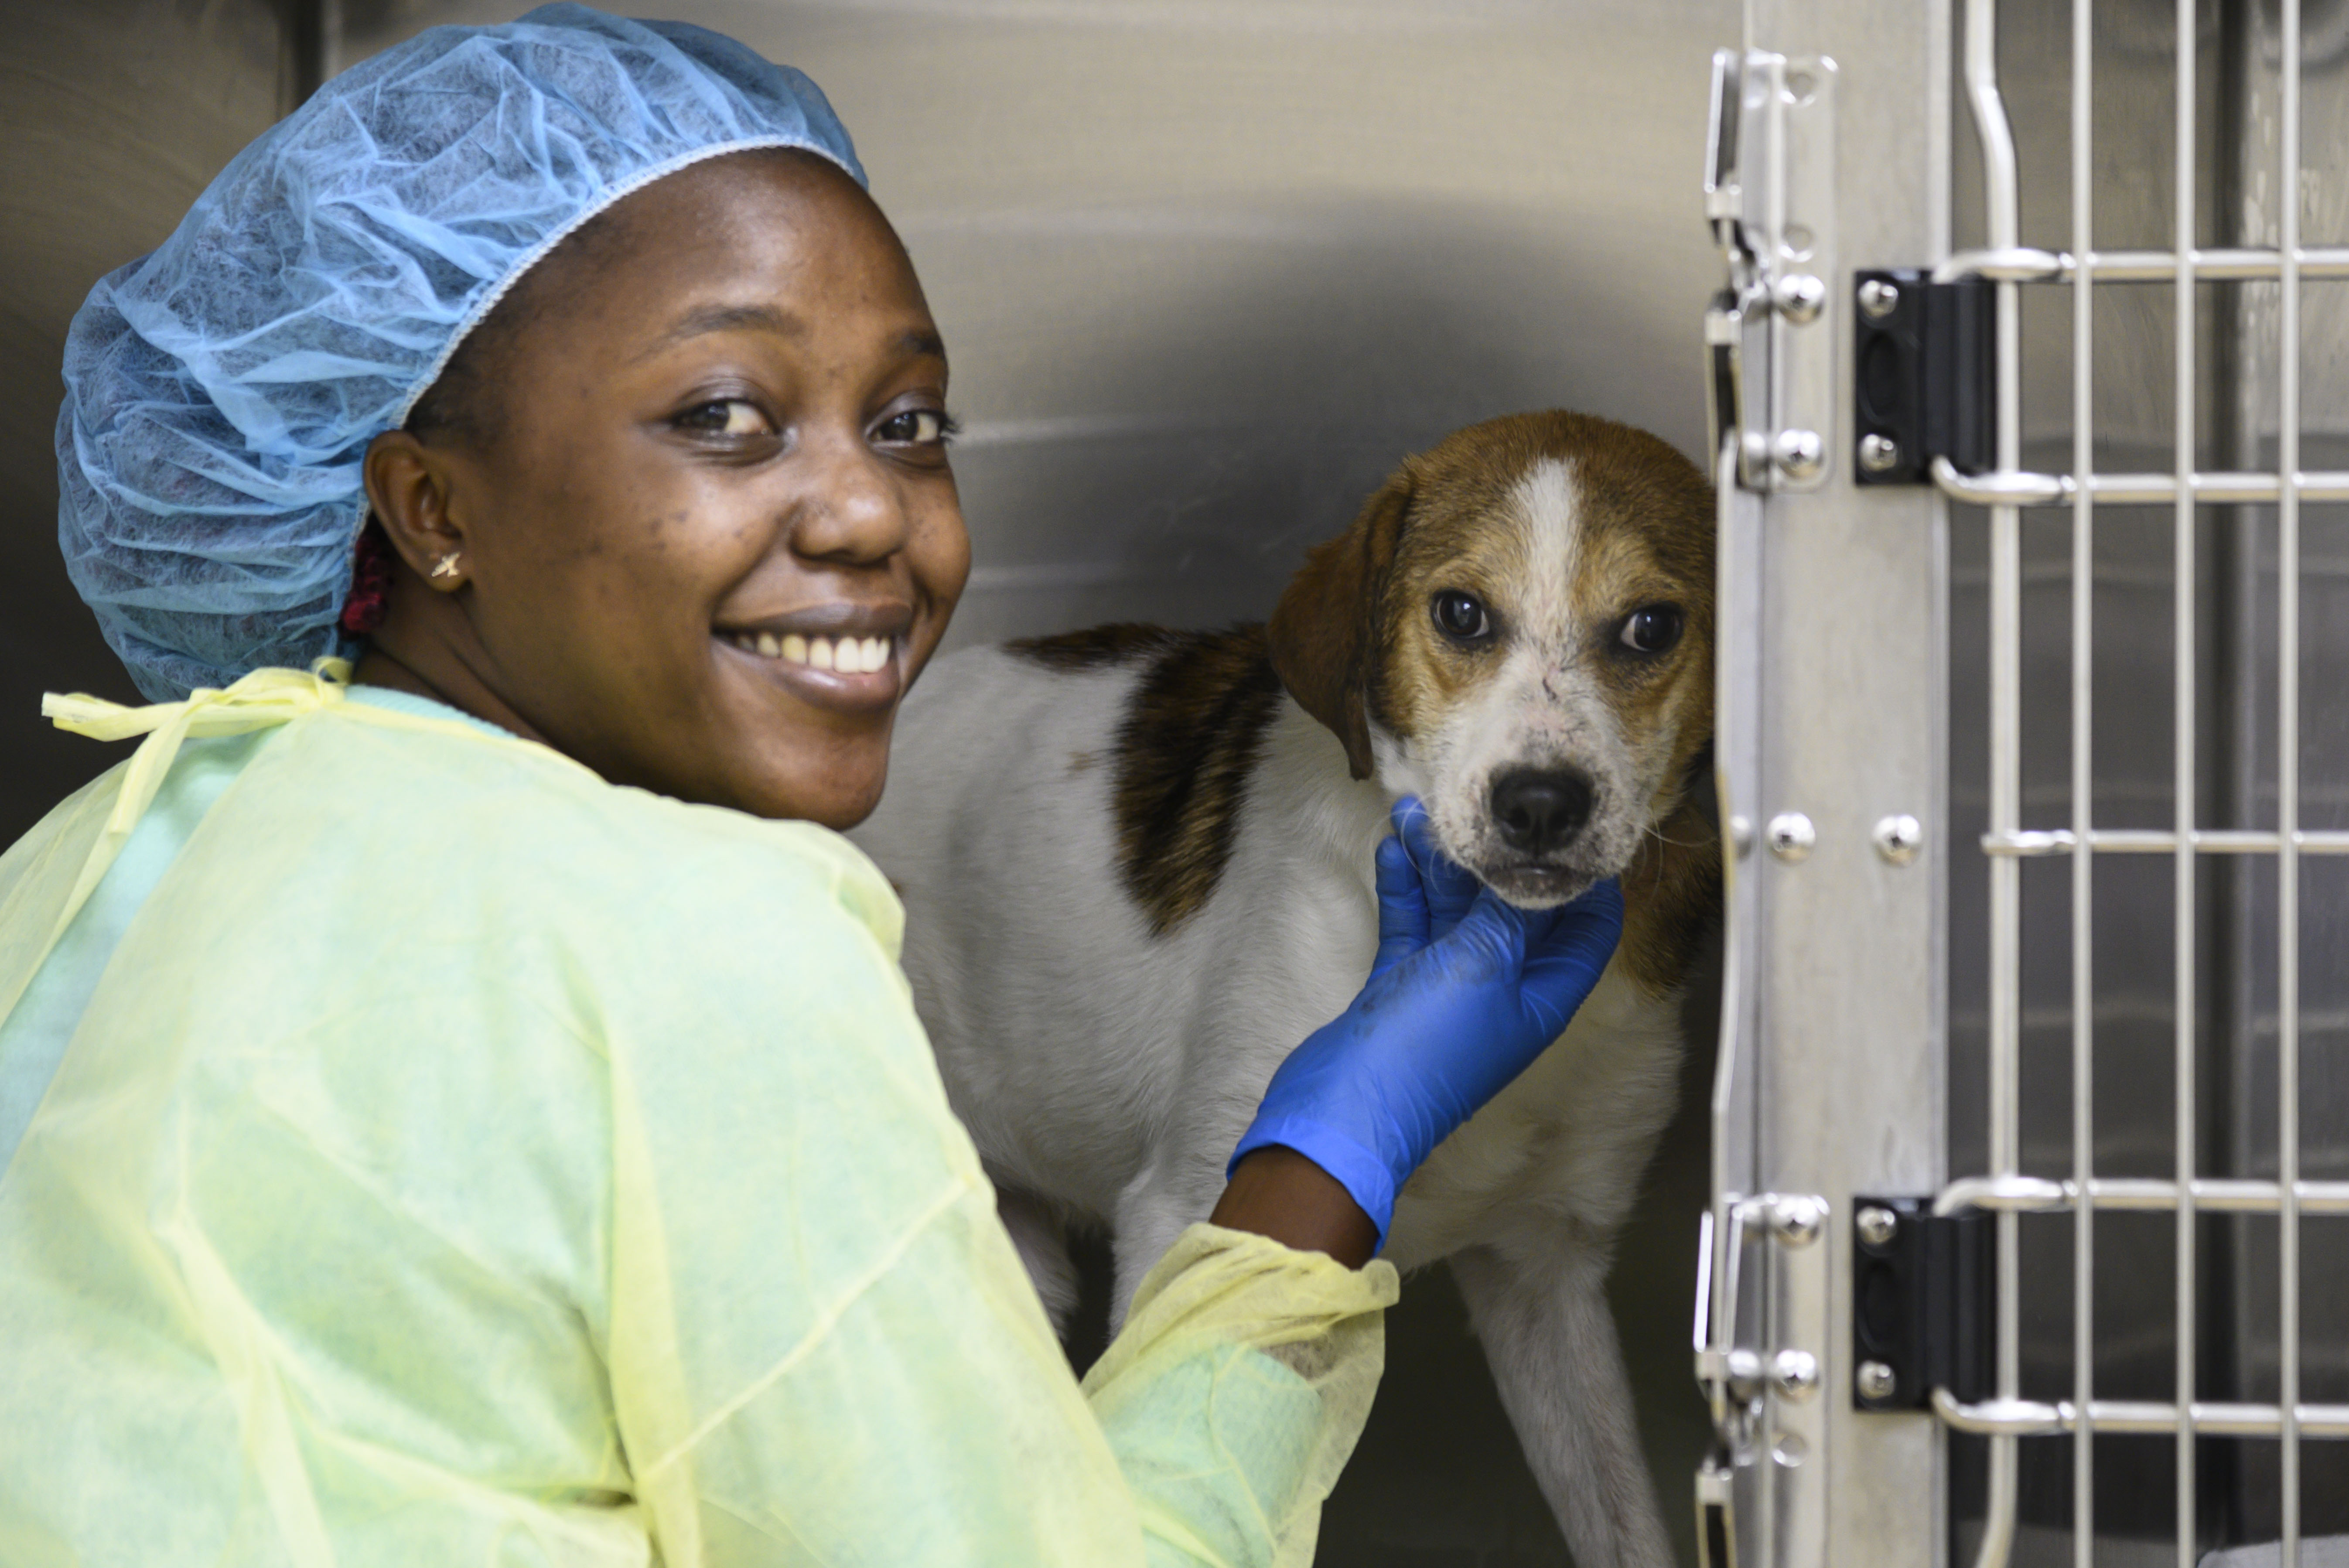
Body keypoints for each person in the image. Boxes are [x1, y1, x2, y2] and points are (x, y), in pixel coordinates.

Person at [0, 8, 1626, 1565]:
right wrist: (1324, 1165)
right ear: (432, 507)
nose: (864, 509)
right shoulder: (692, 940)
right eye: (725, 416)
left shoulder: (100, 846)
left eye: (909, 420)